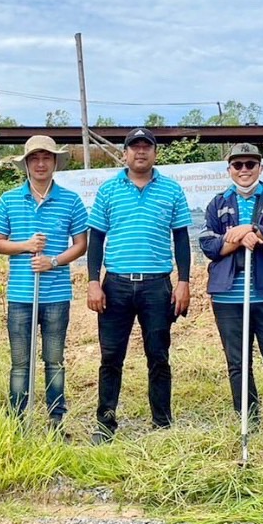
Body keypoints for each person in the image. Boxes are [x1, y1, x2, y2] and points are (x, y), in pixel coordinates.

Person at [87, 127, 192, 444]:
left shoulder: (172, 191)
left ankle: (161, 423)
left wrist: (183, 281)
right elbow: (96, 240)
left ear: (155, 153)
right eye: (134, 147)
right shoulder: (108, 191)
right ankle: (105, 424)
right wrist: (93, 281)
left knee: (159, 356)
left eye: (147, 147)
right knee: (110, 357)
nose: (140, 152)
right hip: (116, 285)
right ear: (125, 153)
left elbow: (182, 240)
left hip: (157, 286)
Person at [0, 135, 88, 431]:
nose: (41, 163)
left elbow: (81, 244)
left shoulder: (71, 200)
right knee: (21, 363)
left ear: (55, 162)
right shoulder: (9, 199)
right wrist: (26, 246)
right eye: (34, 158)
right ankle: (19, 419)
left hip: (56, 294)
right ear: (26, 164)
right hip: (20, 294)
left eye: (46, 158)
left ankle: (56, 417)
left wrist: (53, 261)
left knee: (54, 360)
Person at [199, 143, 263, 432]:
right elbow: (209, 245)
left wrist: (251, 229)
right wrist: (242, 238)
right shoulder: (217, 204)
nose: (244, 170)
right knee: (238, 362)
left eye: (250, 164)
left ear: (260, 168)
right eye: (238, 165)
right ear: (229, 169)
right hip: (228, 297)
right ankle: (248, 419)